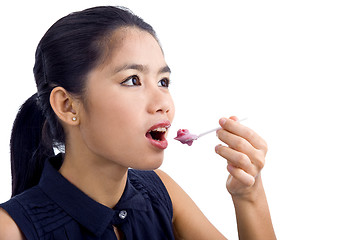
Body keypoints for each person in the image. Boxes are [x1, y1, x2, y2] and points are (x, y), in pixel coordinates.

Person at [0, 6, 276, 240]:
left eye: (163, 82)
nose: (163, 103)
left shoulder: (160, 190)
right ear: (67, 105)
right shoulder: (10, 229)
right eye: (133, 80)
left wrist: (249, 195)